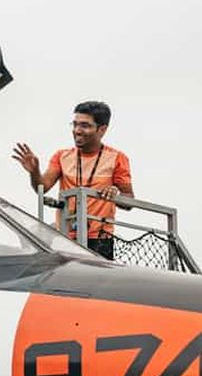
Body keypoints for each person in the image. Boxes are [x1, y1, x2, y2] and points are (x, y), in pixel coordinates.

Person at [12, 101, 134, 260]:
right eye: (75, 124)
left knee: (93, 283)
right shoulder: (61, 156)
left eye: (85, 125)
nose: (77, 130)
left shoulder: (117, 158)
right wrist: (34, 171)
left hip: (99, 239)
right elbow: (42, 187)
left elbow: (129, 201)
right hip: (65, 238)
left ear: (102, 129)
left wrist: (115, 194)